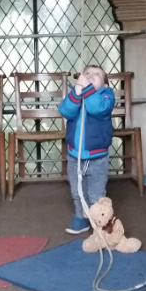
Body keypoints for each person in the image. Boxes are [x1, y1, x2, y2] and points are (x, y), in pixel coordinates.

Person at [58, 64, 115, 234]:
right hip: (75, 156)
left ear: (104, 84)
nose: (90, 75)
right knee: (77, 190)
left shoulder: (106, 95)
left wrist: (88, 89)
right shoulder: (76, 95)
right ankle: (81, 216)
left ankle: (100, 219)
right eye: (87, 73)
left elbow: (97, 108)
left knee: (96, 192)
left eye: (96, 74)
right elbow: (65, 111)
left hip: (97, 157)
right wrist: (76, 93)